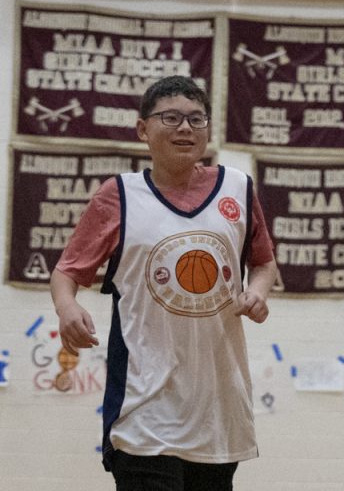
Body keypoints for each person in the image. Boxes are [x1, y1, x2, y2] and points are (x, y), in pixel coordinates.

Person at [50, 75, 277, 490]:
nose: (185, 128)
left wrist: (257, 293)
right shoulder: (118, 195)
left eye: (196, 119)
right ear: (143, 129)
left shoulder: (238, 188)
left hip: (218, 409)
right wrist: (67, 309)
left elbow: (263, 263)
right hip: (144, 409)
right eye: (170, 118)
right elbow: (67, 271)